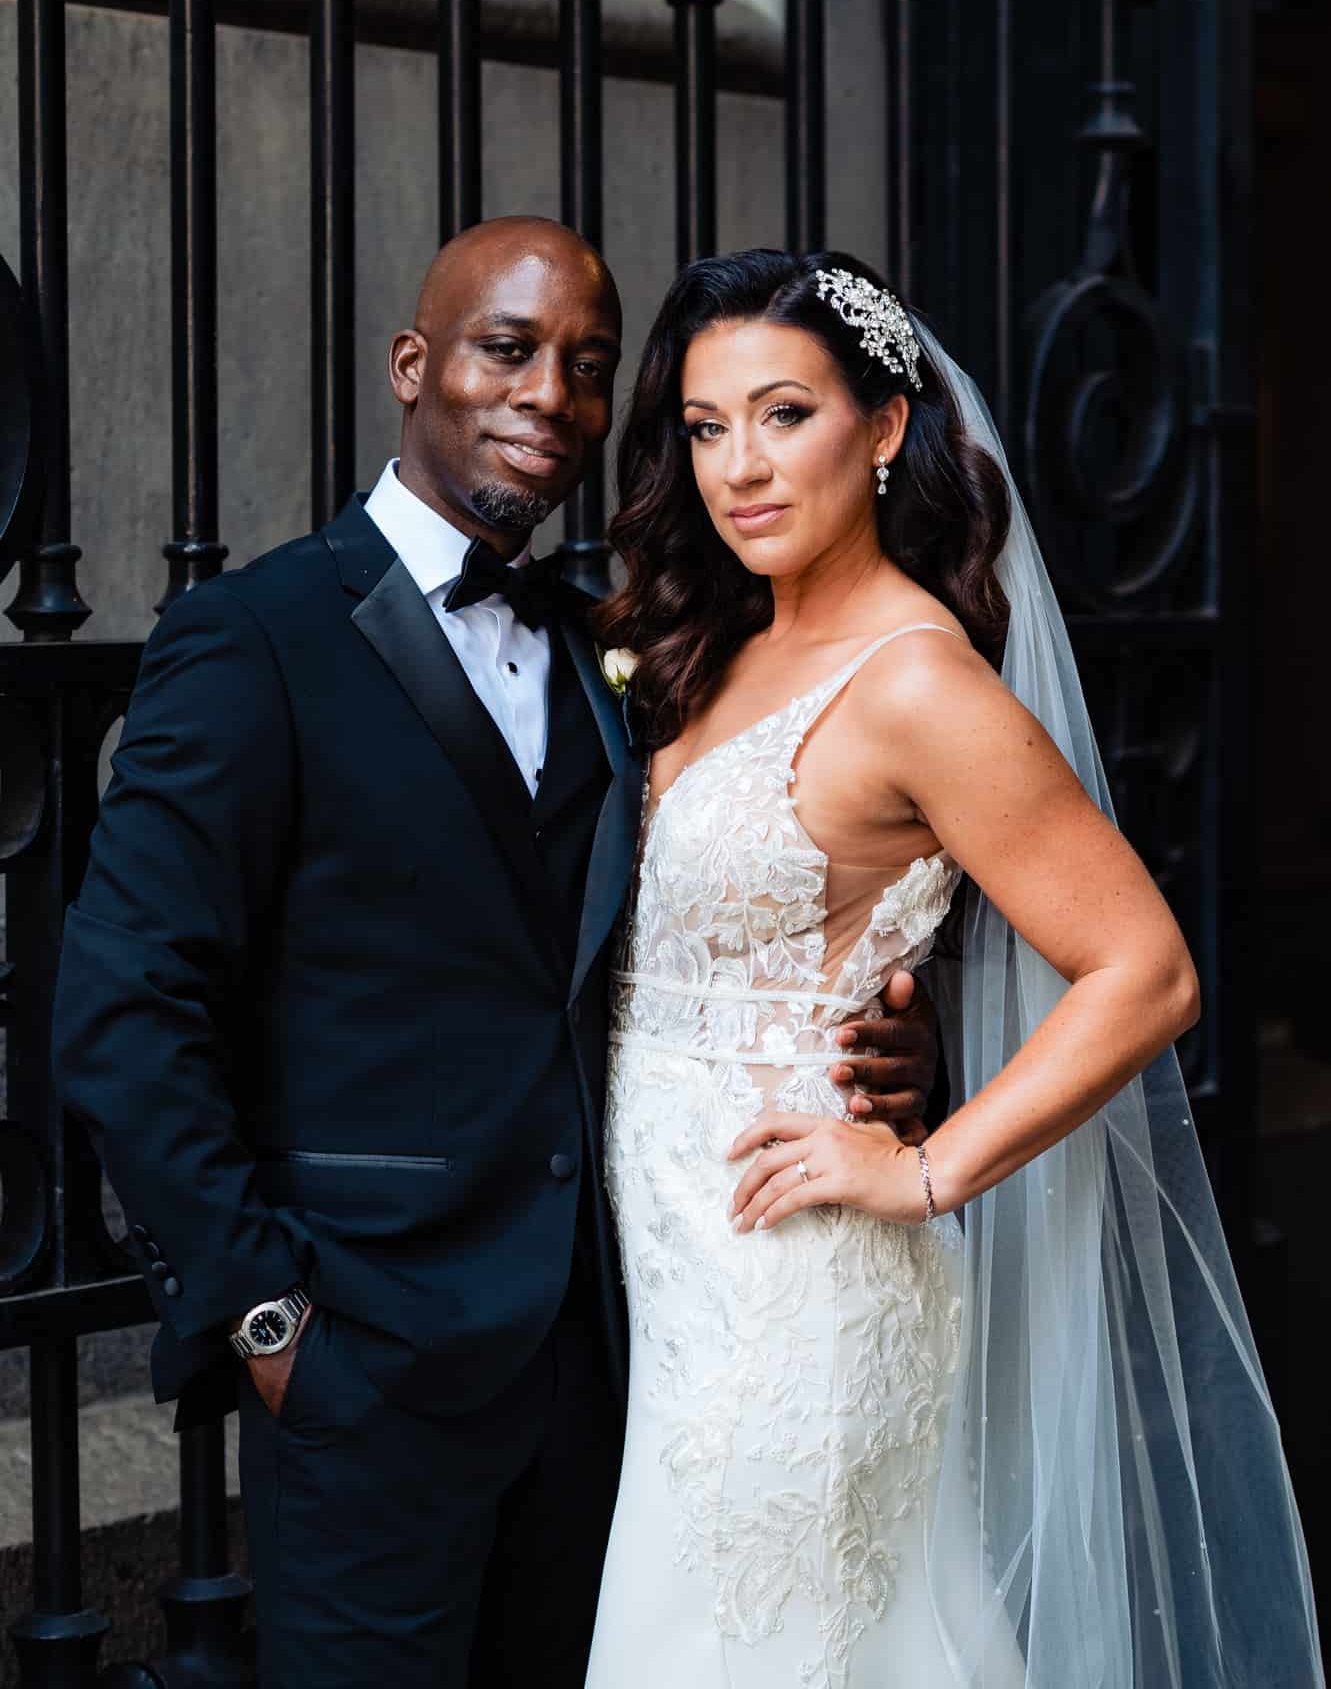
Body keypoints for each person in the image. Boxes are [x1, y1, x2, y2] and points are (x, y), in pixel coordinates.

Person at [50, 218, 937, 1688]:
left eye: (589, 369)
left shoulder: (611, 652)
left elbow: (728, 925)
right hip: (363, 1369)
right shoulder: (252, 637)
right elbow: (123, 1009)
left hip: (601, 1367)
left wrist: (891, 1037)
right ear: (416, 366)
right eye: (509, 350)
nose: (551, 397)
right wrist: (268, 1317)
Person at [585, 248, 1322, 1688]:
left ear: (887, 427)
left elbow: (1146, 970)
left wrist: (928, 1170)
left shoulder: (916, 681)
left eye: (785, 414)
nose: (739, 463)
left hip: (799, 1290)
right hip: (677, 1274)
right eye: (705, 424)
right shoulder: (717, 637)